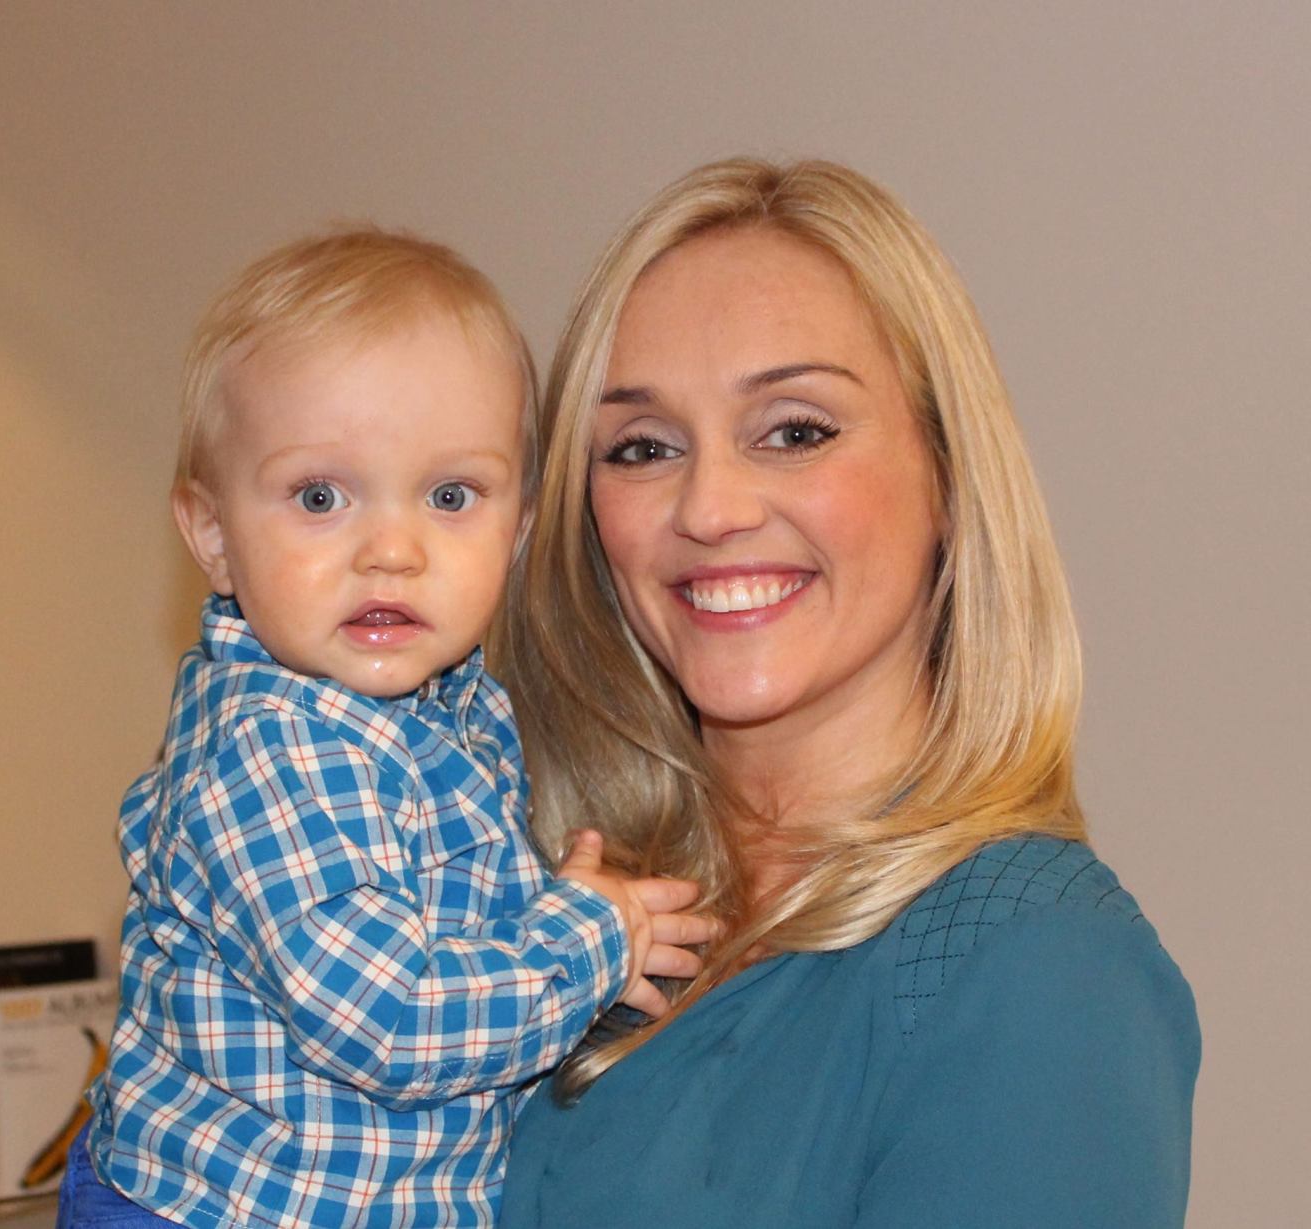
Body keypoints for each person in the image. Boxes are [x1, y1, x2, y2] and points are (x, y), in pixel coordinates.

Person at [497, 159, 1200, 1228]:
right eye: (642, 447)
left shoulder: (1039, 966)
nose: (709, 507)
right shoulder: (541, 909)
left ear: (949, 475)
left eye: (795, 431)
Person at [59, 229, 714, 1229]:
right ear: (214, 533)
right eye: (320, 496)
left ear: (518, 528)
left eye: (451, 496)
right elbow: (393, 1021)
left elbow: (456, 953)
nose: (392, 550)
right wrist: (588, 936)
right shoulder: (272, 750)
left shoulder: (449, 711)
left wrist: (575, 939)